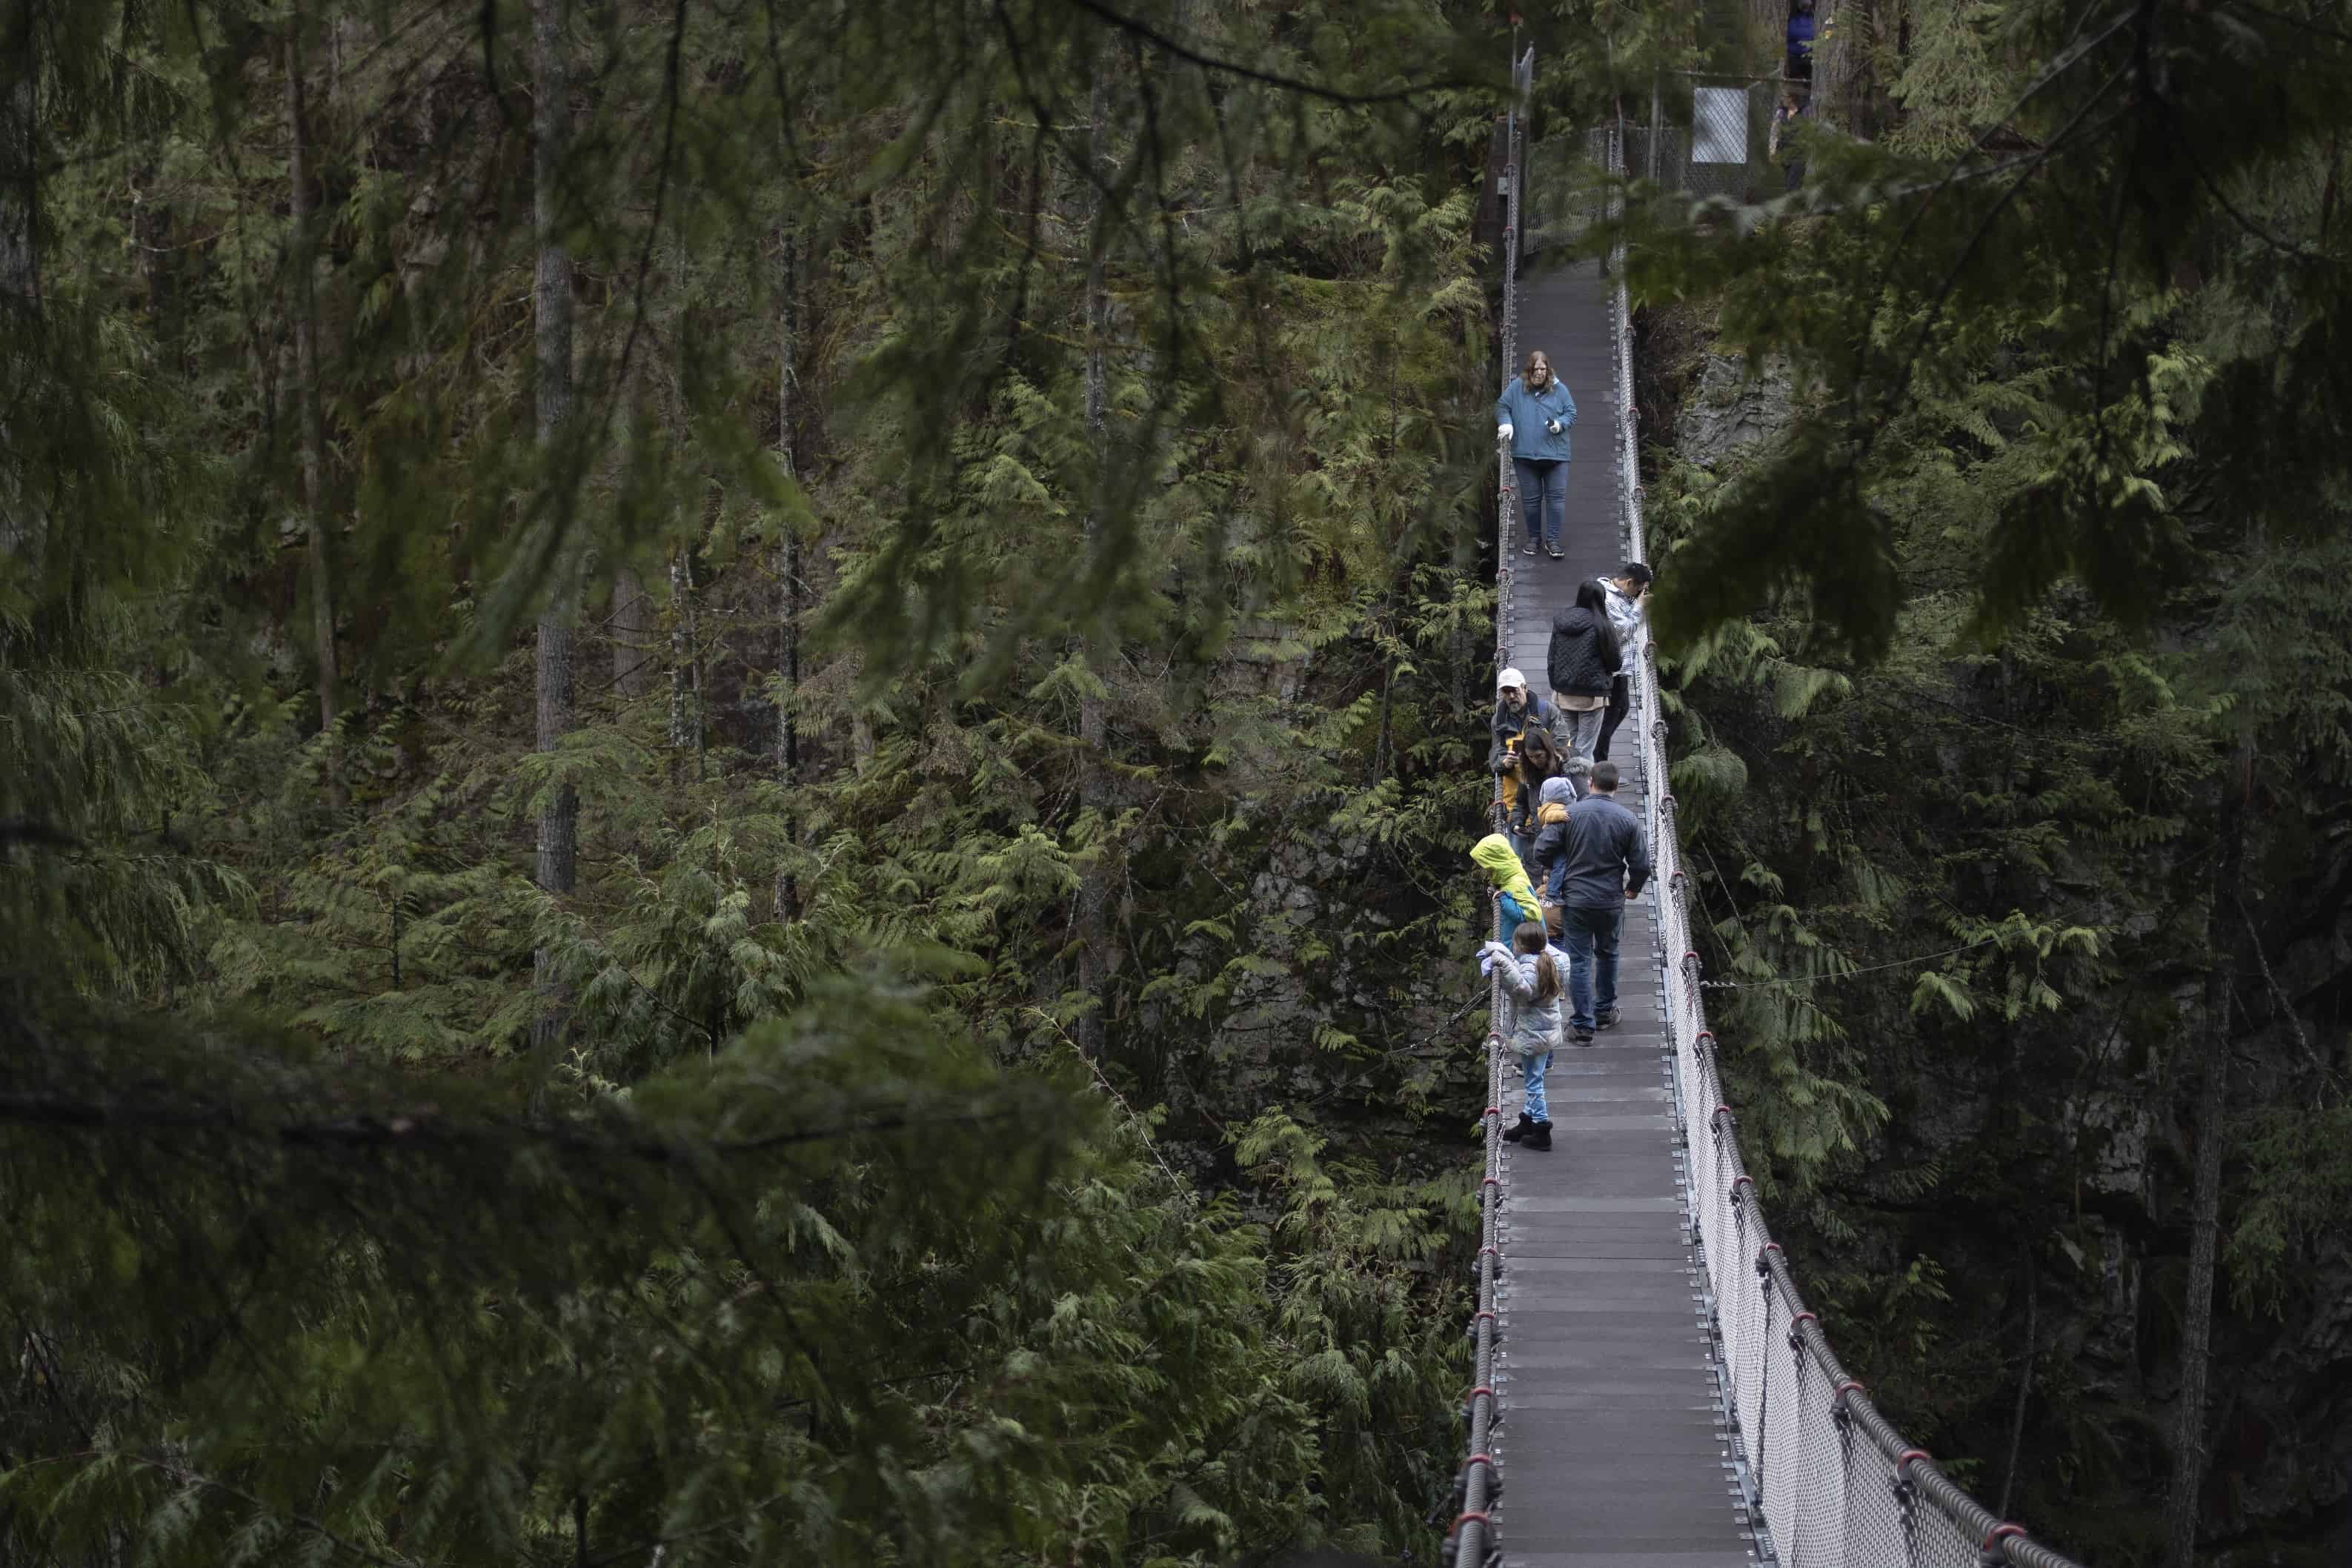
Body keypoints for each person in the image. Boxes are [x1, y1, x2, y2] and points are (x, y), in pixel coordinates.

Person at [1554, 761, 1651, 1043]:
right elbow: (1641, 865)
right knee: (1608, 954)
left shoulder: (1569, 814)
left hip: (1576, 899)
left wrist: (1558, 869)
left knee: (1579, 961)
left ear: (1590, 782)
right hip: (1610, 900)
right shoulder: (1628, 819)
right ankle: (1605, 1012)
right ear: (1617, 786)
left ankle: (1583, 1026)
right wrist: (1633, 888)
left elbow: (1544, 848)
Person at [1479, 920, 1564, 1152]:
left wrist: (1502, 964)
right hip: (1546, 1031)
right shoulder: (1548, 961)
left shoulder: (1529, 968)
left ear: (1521, 946)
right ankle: (1527, 1123)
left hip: (1534, 1034)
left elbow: (1523, 991)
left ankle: (1542, 1131)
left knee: (1534, 1083)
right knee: (1535, 1076)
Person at [1494, 349, 1578, 560]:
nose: (1540, 373)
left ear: (1548, 370)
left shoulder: (1560, 390)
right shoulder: (1516, 388)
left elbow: (1571, 413)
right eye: (1535, 369)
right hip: (1525, 456)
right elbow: (1502, 406)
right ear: (1529, 370)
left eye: (1543, 369)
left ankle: (1553, 540)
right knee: (1531, 500)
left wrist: (1560, 425)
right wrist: (1506, 423)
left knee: (1556, 499)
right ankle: (1534, 538)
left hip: (1556, 456)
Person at [1547, 580, 1622, 763]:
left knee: (1567, 745)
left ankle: (1565, 785)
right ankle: (1581, 788)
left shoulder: (1561, 621)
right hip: (1592, 697)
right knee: (1585, 748)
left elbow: (1552, 658)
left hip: (1563, 694)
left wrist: (1556, 685)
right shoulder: (1602, 625)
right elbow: (1615, 663)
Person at [1487, 668, 1560, 827]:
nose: (1511, 696)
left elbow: (1564, 745)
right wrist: (1504, 763)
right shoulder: (1498, 721)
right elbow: (1495, 756)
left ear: (1525, 688)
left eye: (1514, 691)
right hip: (1515, 797)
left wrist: (1542, 754)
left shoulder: (1548, 712)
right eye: (1506, 692)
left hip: (1547, 791)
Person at [1595, 562, 1652, 763]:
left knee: (1621, 709)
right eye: (1637, 589)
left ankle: (1598, 760)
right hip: (1613, 669)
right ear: (1628, 582)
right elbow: (1623, 633)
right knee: (1609, 718)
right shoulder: (1608, 599)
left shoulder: (1618, 594)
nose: (1638, 594)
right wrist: (1639, 606)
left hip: (1621, 668)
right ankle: (1599, 768)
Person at [1524, 773, 1580, 936]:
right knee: (1561, 866)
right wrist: (1562, 815)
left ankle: (1554, 892)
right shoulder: (1553, 809)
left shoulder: (1550, 806)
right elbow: (1549, 816)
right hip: (1556, 846)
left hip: (1556, 844)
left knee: (1560, 867)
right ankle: (1553, 893)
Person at [1471, 831, 1543, 943]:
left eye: (1486, 865)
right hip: (1516, 945)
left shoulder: (1516, 883)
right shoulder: (1510, 875)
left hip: (1523, 950)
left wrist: (1503, 899)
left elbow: (1533, 915)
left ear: (1495, 863)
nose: (1484, 869)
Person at [1509, 725, 1565, 856]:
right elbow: (1521, 803)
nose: (1535, 761)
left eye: (1539, 755)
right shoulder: (1528, 774)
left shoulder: (1564, 769)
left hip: (1562, 834)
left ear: (1547, 750)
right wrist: (1517, 824)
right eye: (1530, 757)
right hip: (1539, 836)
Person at [1769, 90, 1812, 192]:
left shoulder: (1804, 111)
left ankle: (1793, 204)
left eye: (1784, 97)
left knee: (1793, 185)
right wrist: (1772, 150)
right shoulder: (1781, 112)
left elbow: (1809, 130)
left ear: (1791, 98)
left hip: (1799, 154)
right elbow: (1774, 133)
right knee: (1791, 181)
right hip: (1785, 154)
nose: (1782, 99)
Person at [1786, 0, 1816, 83]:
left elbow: (1828, 28)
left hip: (1809, 56)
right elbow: (1792, 34)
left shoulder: (1814, 16)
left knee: (1809, 84)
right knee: (1794, 84)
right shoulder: (1792, 16)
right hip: (1794, 56)